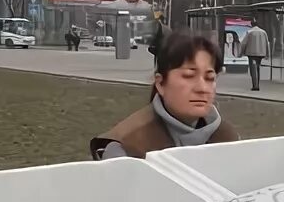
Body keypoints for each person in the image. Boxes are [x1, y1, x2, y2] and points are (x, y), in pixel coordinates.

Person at [90, 32, 239, 160]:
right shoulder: (126, 147)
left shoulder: (228, 138)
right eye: (188, 76)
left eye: (210, 78)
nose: (202, 88)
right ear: (160, 84)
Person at [239, 20, 268, 91]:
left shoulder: (249, 32)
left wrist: (241, 53)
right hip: (261, 54)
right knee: (257, 68)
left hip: (251, 54)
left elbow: (244, 43)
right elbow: (267, 44)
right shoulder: (263, 32)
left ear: (251, 24)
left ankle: (255, 86)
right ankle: (257, 83)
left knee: (253, 69)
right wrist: (267, 54)